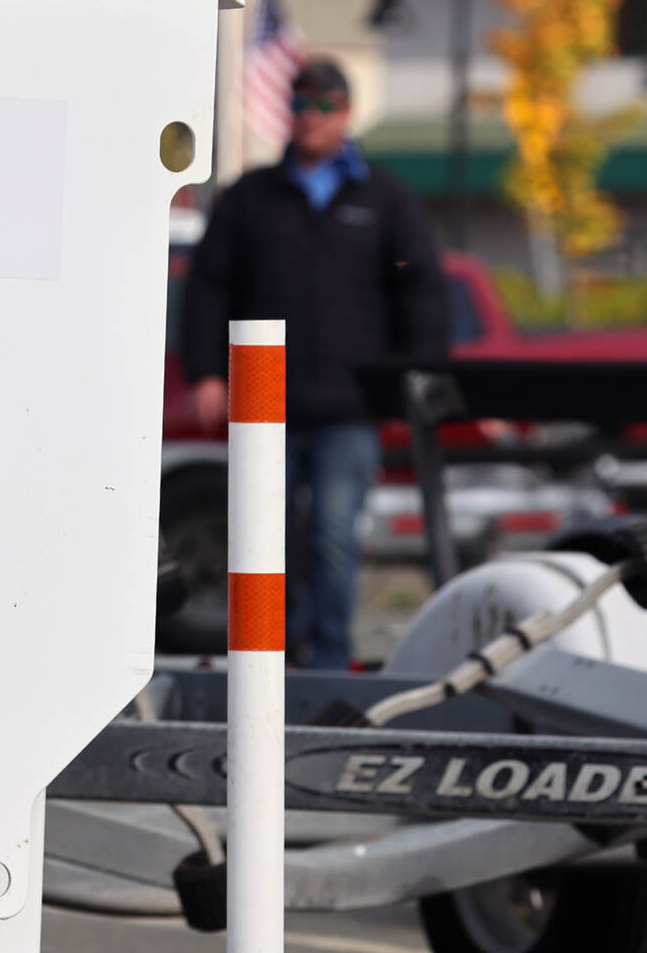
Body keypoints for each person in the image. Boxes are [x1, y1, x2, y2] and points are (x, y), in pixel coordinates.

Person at [181, 57, 448, 668]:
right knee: (265, 538)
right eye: (301, 103)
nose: (310, 116)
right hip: (263, 403)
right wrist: (206, 371)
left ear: (346, 114)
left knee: (331, 536)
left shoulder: (384, 198)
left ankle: (327, 660)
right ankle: (275, 660)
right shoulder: (251, 197)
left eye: (324, 105)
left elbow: (423, 290)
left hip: (349, 406)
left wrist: (416, 375)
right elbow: (208, 287)